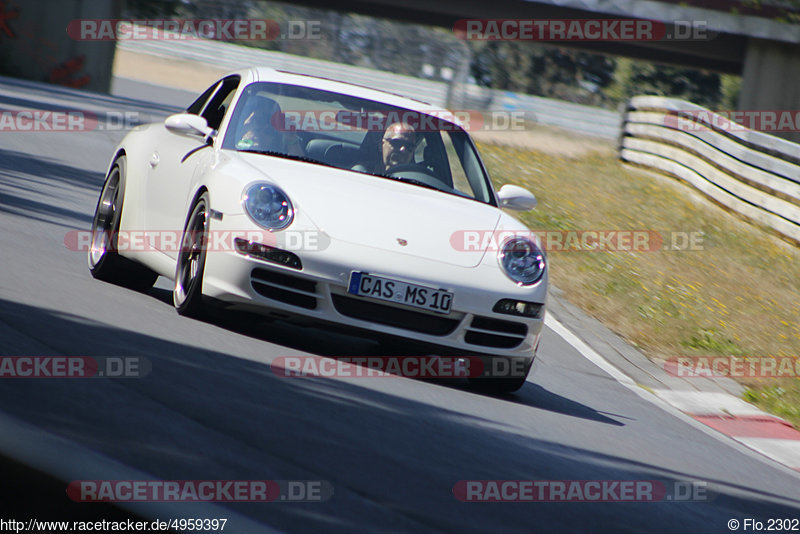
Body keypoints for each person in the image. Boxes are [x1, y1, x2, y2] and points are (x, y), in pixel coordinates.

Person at [234, 96, 304, 156]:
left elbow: (299, 163)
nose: (260, 134)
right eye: (257, 129)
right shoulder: (238, 144)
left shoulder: (279, 152)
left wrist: (291, 138)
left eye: (268, 131)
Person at [353, 121, 418, 174]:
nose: (403, 149)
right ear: (381, 145)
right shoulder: (361, 173)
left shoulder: (417, 184)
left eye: (409, 147)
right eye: (397, 143)